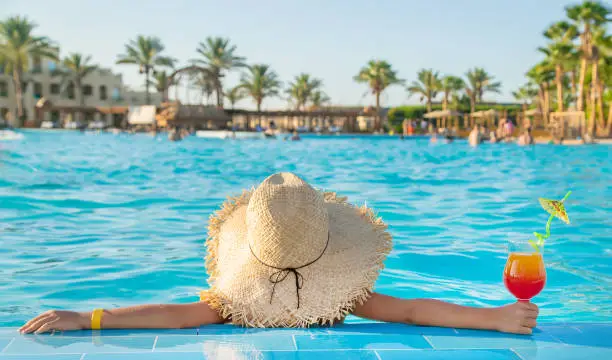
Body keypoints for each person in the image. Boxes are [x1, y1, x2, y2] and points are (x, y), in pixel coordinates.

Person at [20, 173, 539, 335]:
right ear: (329, 245)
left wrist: (90, 318)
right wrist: (492, 319)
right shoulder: (343, 300)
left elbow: (175, 316)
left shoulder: (237, 304)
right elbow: (409, 309)